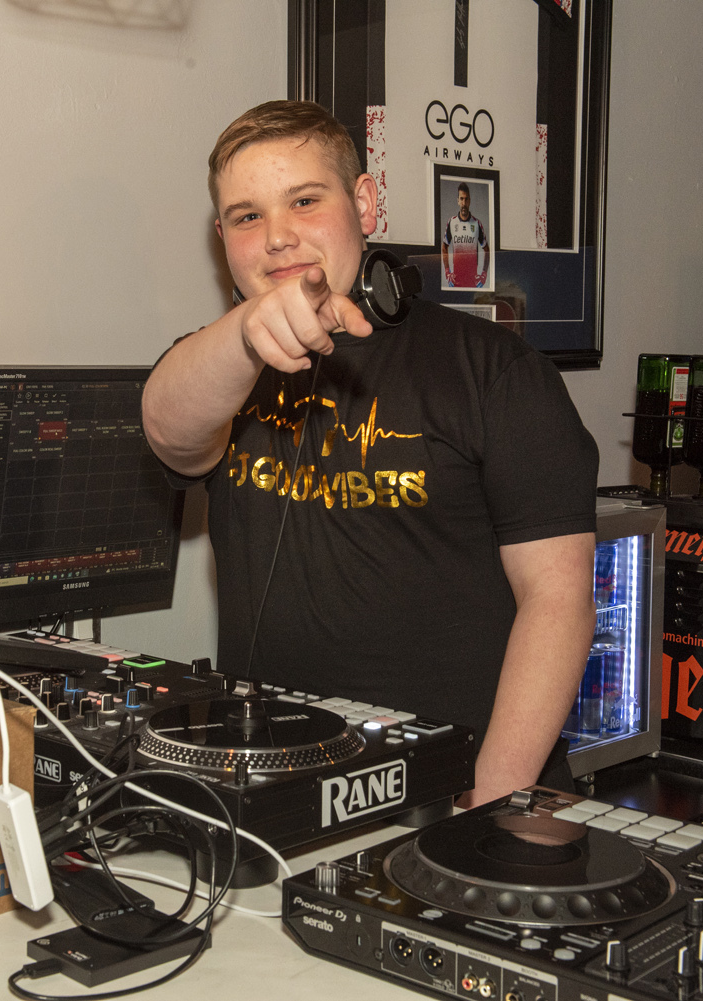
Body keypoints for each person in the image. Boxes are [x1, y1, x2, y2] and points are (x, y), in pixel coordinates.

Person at [141, 101, 597, 806]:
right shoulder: (220, 371)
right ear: (222, 237)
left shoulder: (494, 370)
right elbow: (169, 427)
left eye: (304, 201)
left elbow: (558, 599)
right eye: (247, 216)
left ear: (363, 203)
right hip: (276, 787)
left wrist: (488, 801)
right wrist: (246, 334)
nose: (278, 237)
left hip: (453, 794)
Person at [441, 182, 489, 288]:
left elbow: (487, 249)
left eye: (466, 199)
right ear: (458, 201)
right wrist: (447, 272)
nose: (464, 203)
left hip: (472, 283)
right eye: (461, 199)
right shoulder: (452, 222)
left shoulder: (477, 223)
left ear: (469, 201)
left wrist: (484, 274)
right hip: (455, 282)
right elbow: (444, 247)